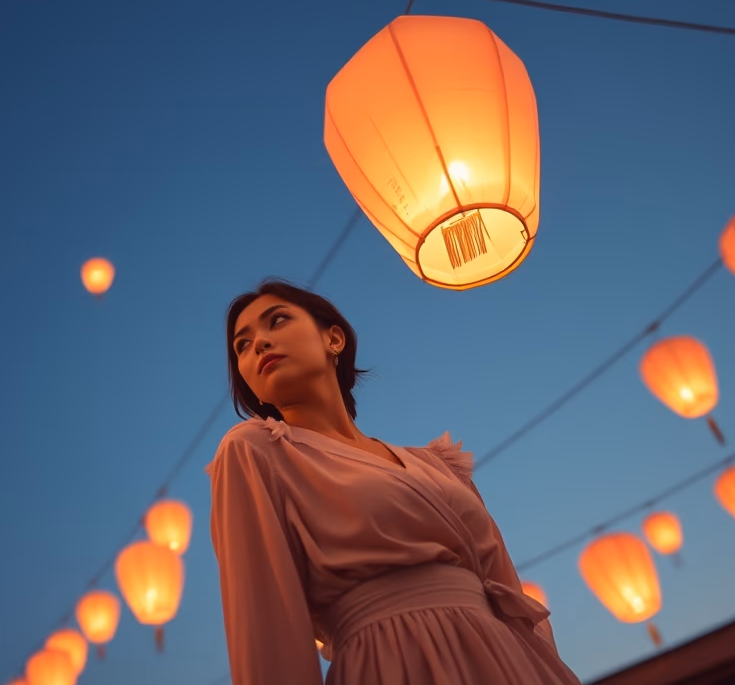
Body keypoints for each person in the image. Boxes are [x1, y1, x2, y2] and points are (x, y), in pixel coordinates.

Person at [207, 279, 581, 685]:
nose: (258, 344)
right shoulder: (255, 452)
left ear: (334, 338)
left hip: (509, 662)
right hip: (391, 662)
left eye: (276, 321)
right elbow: (266, 625)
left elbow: (512, 599)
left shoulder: (438, 465)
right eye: (241, 345)